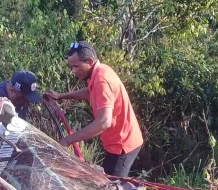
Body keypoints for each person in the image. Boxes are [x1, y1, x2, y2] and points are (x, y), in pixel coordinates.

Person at [44, 41, 144, 178]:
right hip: (116, 142)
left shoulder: (102, 80)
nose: (73, 71)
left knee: (112, 185)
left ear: (90, 61)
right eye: (71, 67)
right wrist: (61, 96)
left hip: (123, 144)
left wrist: (67, 140)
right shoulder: (98, 72)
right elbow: (90, 92)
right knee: (105, 179)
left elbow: (104, 122)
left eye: (76, 66)